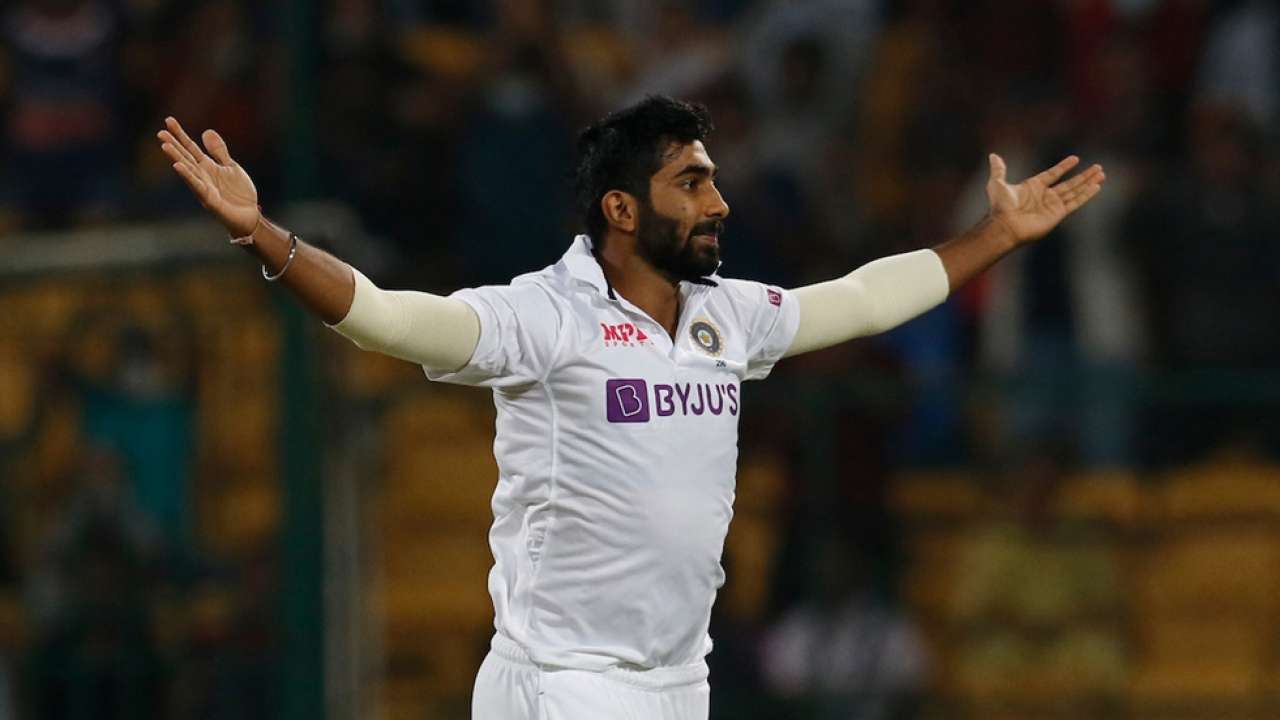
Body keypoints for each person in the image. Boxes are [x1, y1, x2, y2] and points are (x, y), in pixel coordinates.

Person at [156, 95, 1103, 720]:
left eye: (713, 179)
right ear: (620, 209)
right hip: (562, 683)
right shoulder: (545, 315)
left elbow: (860, 299)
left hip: (678, 680)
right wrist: (263, 236)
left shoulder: (727, 315)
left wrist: (994, 236)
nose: (718, 202)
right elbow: (393, 320)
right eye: (691, 182)